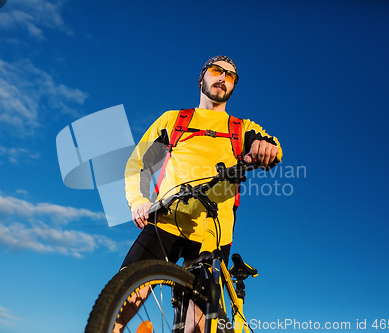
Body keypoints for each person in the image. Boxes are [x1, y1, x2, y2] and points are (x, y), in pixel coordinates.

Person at [120, 55, 282, 332]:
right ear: (202, 78)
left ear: (233, 85)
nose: (222, 78)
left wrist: (264, 148)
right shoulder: (175, 120)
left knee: (195, 326)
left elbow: (272, 145)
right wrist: (138, 201)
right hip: (166, 219)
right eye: (216, 71)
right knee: (123, 295)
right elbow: (139, 164)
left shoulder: (241, 128)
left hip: (213, 233)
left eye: (230, 75)